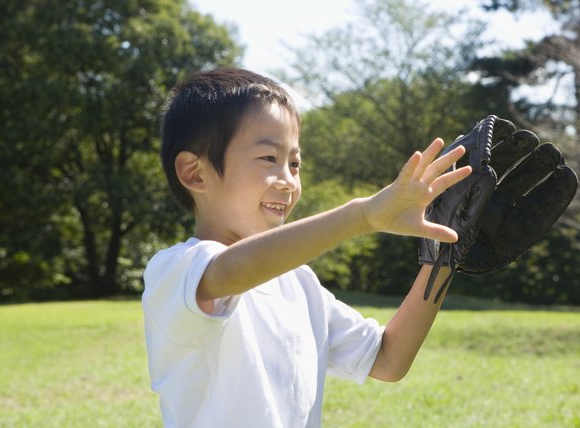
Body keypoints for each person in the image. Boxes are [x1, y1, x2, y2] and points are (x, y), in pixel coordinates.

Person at [142, 67, 471, 427]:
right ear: (196, 173)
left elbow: (387, 359)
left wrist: (444, 253)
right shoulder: (175, 270)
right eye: (269, 159)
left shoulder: (299, 283)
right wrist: (360, 217)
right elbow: (228, 271)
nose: (287, 181)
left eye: (295, 163)